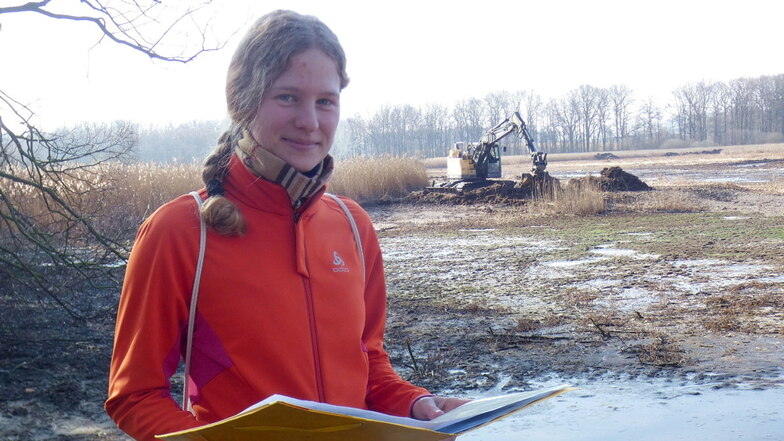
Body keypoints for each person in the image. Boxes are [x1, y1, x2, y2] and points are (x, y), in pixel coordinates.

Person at [105, 10, 467, 441]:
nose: (310, 122)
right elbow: (135, 395)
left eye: (325, 101)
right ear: (243, 101)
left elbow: (370, 365)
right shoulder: (181, 232)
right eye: (288, 98)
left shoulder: (353, 227)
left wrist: (414, 403)